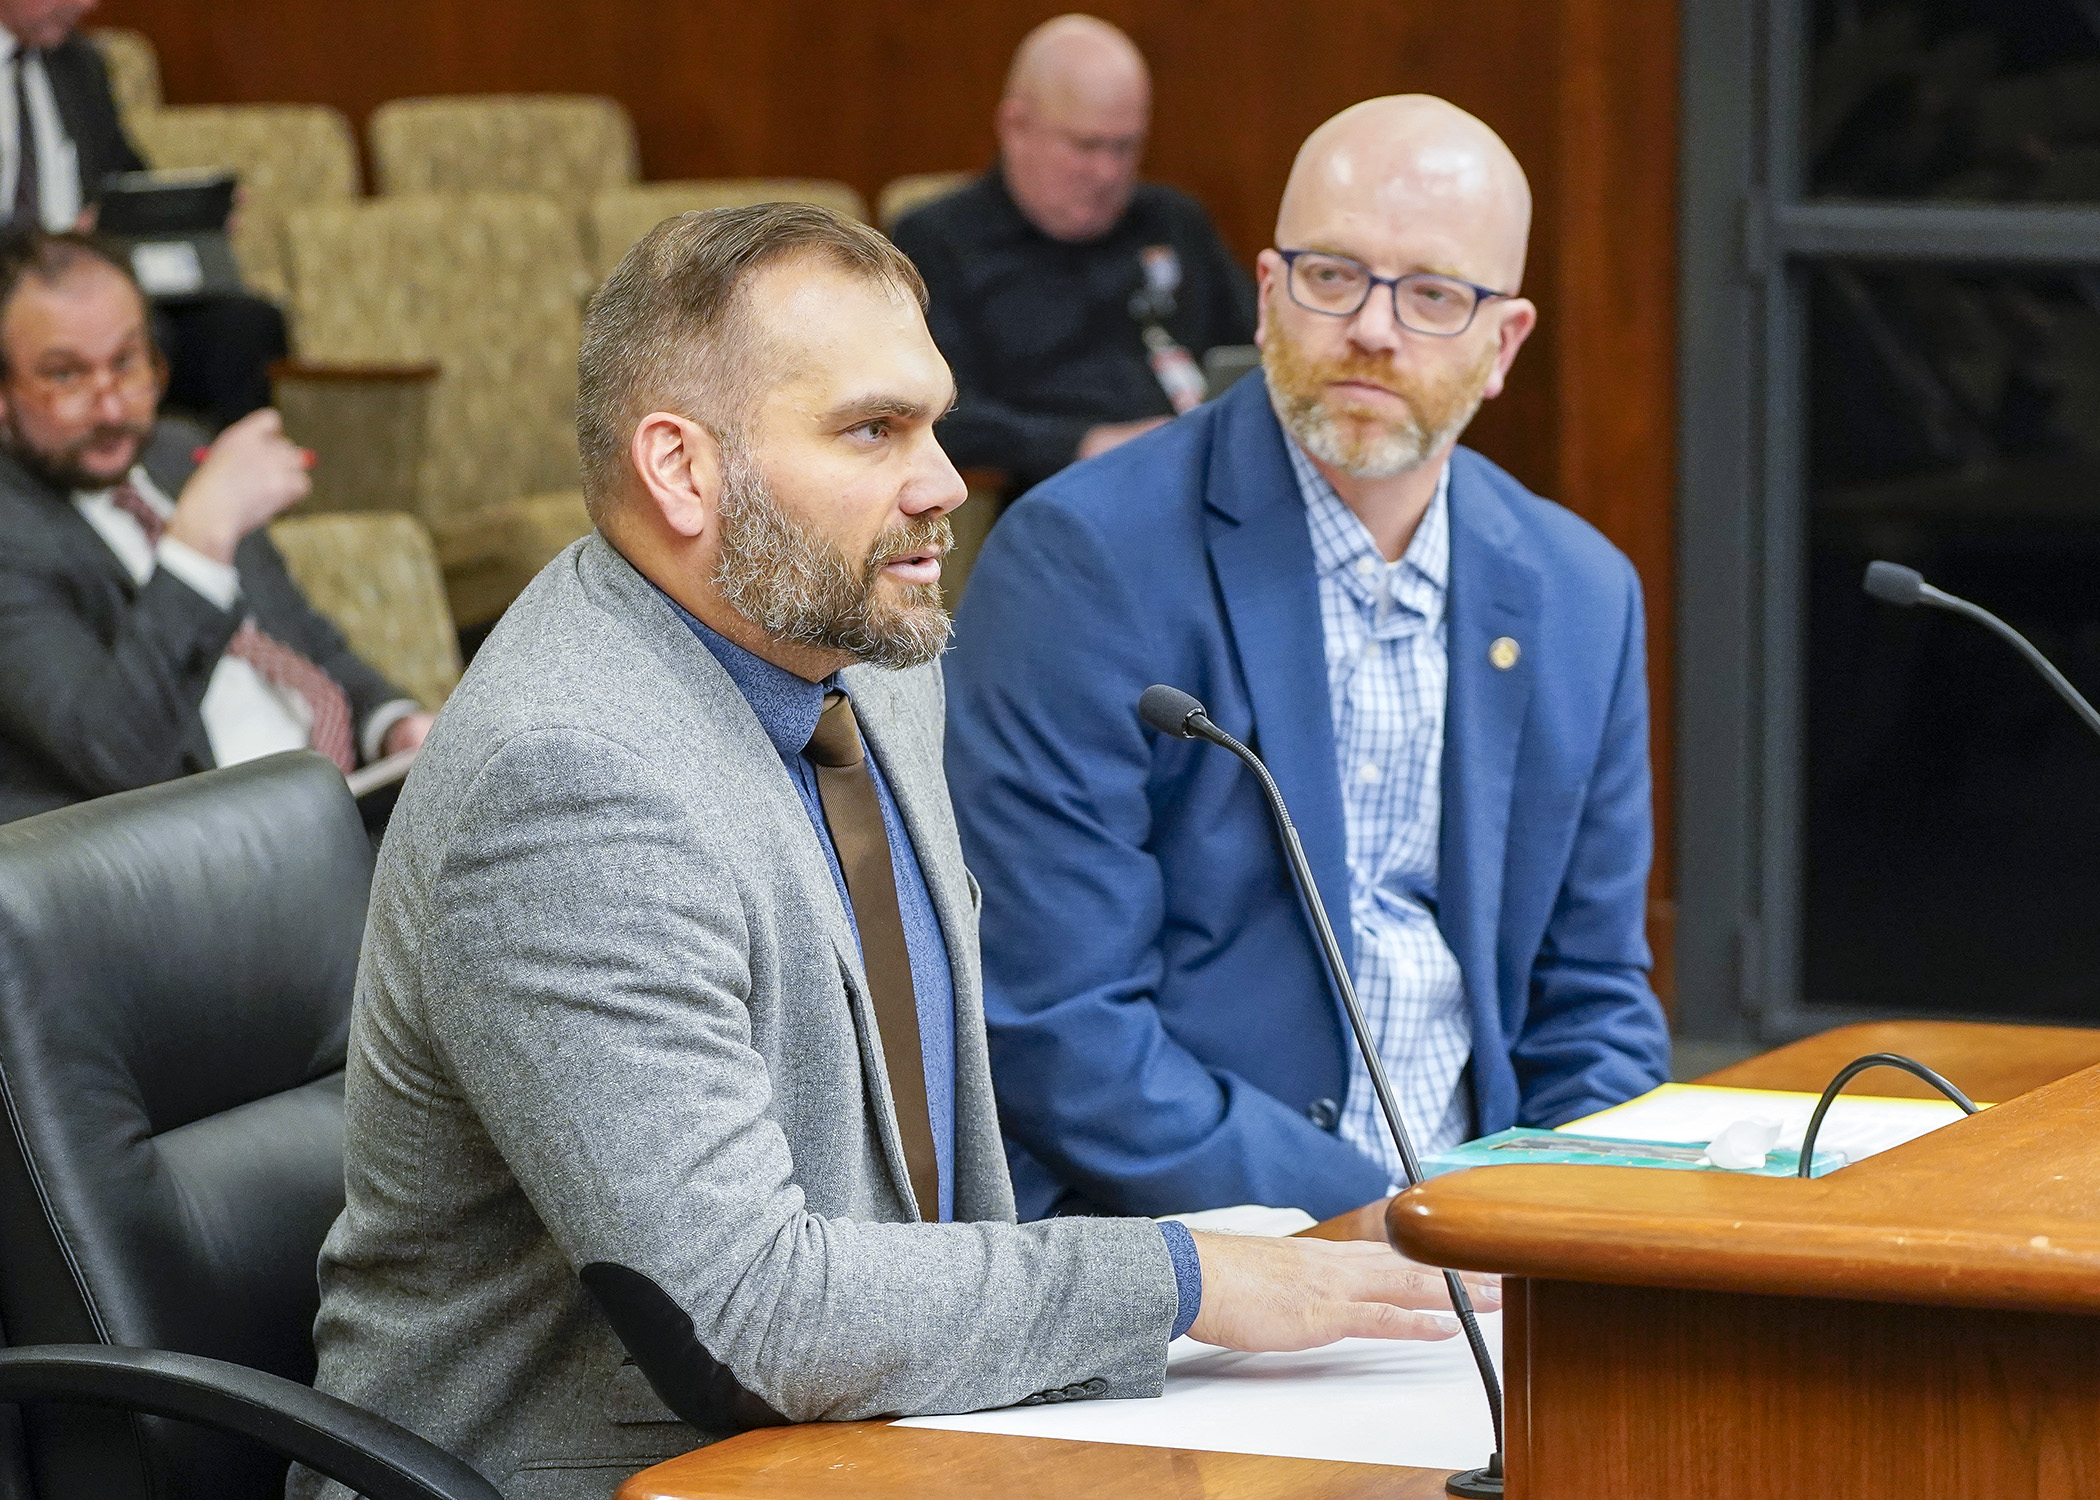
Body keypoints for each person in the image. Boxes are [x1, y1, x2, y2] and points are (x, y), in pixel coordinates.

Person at [292, 203, 1494, 1500]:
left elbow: (932, 1193)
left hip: (880, 1437)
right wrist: (1191, 1277)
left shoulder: (867, 661)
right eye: (873, 431)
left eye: (931, 421)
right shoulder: (571, 782)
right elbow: (753, 1318)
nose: (941, 480)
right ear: (681, 470)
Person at [944, 96, 1672, 1228]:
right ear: (1272, 293)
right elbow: (1059, 1025)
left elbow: (1593, 1003)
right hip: (1203, 1256)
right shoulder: (1084, 561)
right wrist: (1383, 1227)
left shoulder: (1582, 594)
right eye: (1335, 276)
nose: (1375, 329)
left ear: (1503, 347)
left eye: (1434, 295)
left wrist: (1565, 1233)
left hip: (1497, 1245)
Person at [0, 230, 432, 824]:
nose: (111, 408)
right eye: (66, 376)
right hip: (205, 859)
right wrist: (199, 543)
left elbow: (299, 638)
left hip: (345, 806)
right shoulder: (12, 528)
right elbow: (115, 755)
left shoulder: (178, 454)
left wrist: (394, 725)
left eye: (126, 363)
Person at [889, 14, 1254, 492]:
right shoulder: (939, 240)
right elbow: (931, 412)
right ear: (1015, 126)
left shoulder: (1174, 221)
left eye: (1125, 148)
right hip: (1052, 493)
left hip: (1209, 475)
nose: (1107, 172)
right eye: (1086, 146)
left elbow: (1257, 355)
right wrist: (1086, 445)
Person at [0, 0, 290, 427]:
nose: (86, 4)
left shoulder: (78, 63)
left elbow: (124, 177)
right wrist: (54, 243)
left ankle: (215, 484)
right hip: (13, 283)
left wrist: (185, 217)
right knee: (143, 337)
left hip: (93, 277)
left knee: (244, 326)